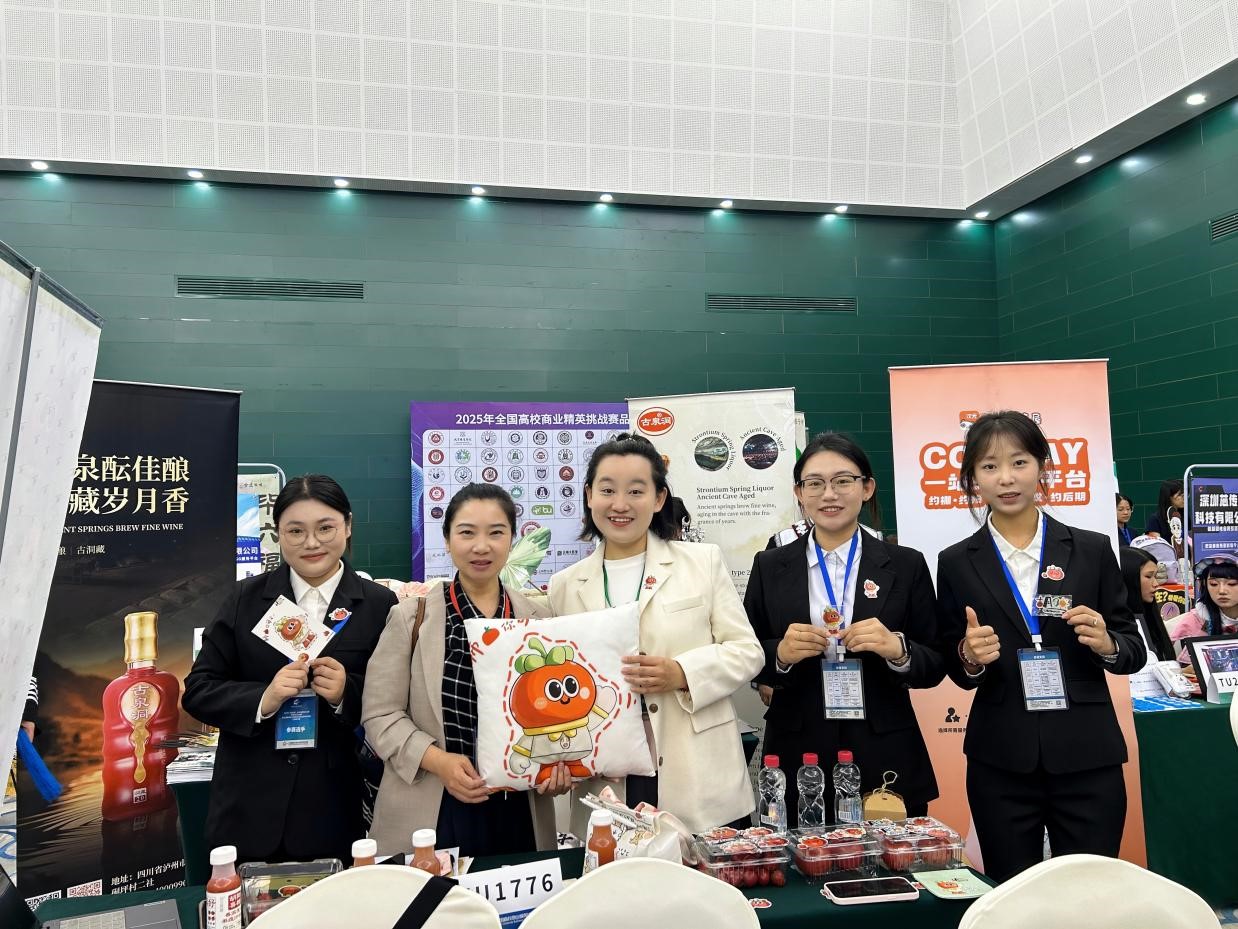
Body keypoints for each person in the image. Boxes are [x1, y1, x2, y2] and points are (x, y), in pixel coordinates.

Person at [936, 411, 1146, 883]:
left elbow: (1132, 649)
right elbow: (953, 662)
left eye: (1019, 462)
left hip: (1087, 754)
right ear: (972, 478)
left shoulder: (1091, 549)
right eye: (989, 466)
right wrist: (969, 656)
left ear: (1041, 467)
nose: (1006, 478)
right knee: (1012, 893)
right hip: (1000, 759)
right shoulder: (956, 562)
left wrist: (1107, 642)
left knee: (1090, 890)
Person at [549, 433, 764, 834]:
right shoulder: (564, 586)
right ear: (589, 496)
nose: (620, 504)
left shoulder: (701, 562)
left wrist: (682, 673)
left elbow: (747, 652)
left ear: (659, 498)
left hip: (696, 770)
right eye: (607, 490)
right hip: (610, 777)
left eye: (636, 491)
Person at [183, 475, 398, 863]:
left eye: (325, 528)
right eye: (295, 531)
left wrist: (346, 693)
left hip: (335, 808)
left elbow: (398, 698)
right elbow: (198, 689)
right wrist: (263, 698)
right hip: (248, 806)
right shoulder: (246, 599)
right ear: (278, 534)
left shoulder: (380, 604)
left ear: (348, 526)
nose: (311, 543)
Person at [745, 432, 944, 826]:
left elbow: (935, 662)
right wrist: (779, 655)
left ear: (867, 488)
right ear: (799, 493)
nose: (829, 494)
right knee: (801, 854)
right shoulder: (770, 566)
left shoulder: (906, 565)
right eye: (814, 483)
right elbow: (744, 654)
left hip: (884, 745)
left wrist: (898, 649)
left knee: (888, 857)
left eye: (843, 481)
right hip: (797, 749)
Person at [362, 484, 568, 857]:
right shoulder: (411, 618)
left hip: (520, 808)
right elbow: (380, 715)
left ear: (512, 539)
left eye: (496, 533)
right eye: (467, 532)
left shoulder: (540, 620)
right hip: (434, 805)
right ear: (447, 539)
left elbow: (555, 712)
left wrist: (556, 768)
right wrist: (438, 761)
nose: (481, 546)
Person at [1169, 553, 1238, 661]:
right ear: (1205, 584)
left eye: (1232, 584)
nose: (1222, 591)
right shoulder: (1198, 618)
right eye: (1214, 584)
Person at [1119, 546, 1174, 662]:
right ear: (1129, 577)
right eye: (1148, 576)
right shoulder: (1114, 625)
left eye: (1155, 576)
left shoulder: (1150, 616)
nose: (1156, 584)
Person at [1144, 479, 1184, 546]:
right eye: (1180, 495)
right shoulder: (1155, 519)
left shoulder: (1185, 517)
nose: (1184, 498)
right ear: (1169, 496)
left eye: (1185, 495)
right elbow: (1156, 546)